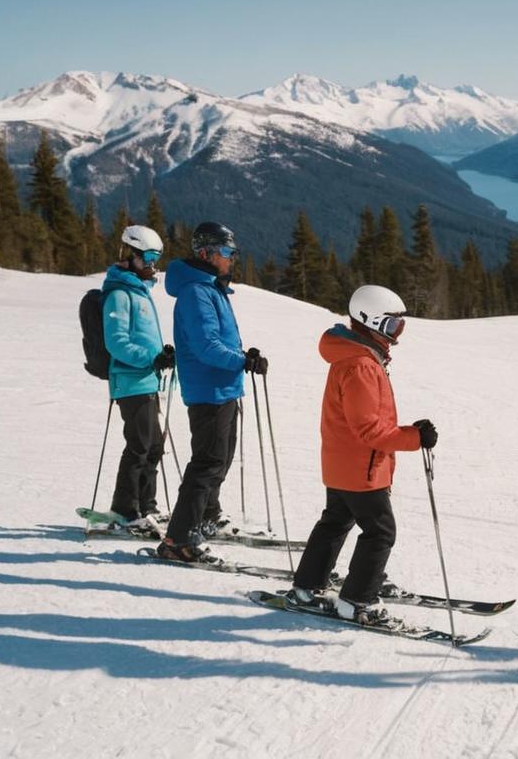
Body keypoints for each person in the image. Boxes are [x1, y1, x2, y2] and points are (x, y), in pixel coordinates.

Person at [287, 285, 437, 626]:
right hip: (361, 468)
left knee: (335, 523)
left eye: (401, 326)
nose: (397, 335)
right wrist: (416, 437)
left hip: (344, 464)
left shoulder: (356, 357)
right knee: (380, 532)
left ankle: (306, 589)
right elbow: (369, 429)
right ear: (370, 321)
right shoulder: (361, 366)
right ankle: (356, 601)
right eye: (392, 326)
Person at [157, 222, 266, 562]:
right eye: (226, 252)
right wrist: (241, 362)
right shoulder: (195, 292)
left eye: (233, 252)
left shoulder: (211, 288)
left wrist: (242, 358)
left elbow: (218, 340)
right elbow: (206, 346)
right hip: (209, 391)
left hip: (223, 388)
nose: (232, 258)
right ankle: (177, 540)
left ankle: (205, 517)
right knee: (207, 464)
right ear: (206, 253)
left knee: (219, 461)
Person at [101, 225, 174, 532]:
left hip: (148, 381)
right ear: (129, 255)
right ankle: (125, 510)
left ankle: (147, 505)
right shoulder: (119, 295)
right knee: (139, 446)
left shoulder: (139, 292)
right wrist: (151, 358)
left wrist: (162, 356)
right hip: (130, 382)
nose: (152, 264)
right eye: (147, 257)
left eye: (156, 257)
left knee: (154, 446)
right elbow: (115, 342)